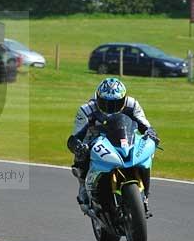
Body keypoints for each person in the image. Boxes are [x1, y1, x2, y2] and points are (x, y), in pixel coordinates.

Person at [66, 77, 159, 213]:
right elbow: (75, 136)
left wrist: (151, 133)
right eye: (106, 103)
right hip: (96, 138)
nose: (111, 108)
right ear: (98, 99)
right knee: (82, 154)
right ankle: (83, 187)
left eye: (116, 103)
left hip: (124, 135)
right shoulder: (86, 110)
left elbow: (145, 125)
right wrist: (78, 146)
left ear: (123, 99)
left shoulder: (132, 104)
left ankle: (145, 195)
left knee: (146, 148)